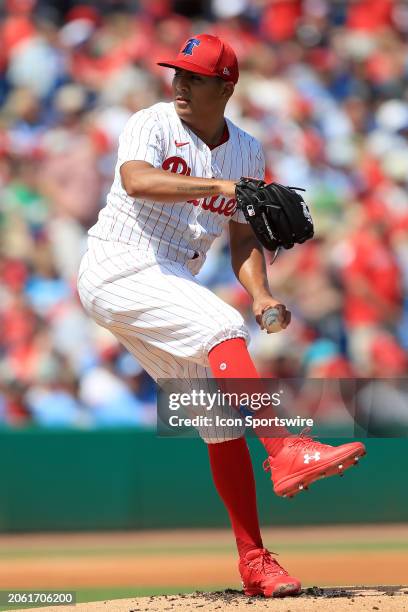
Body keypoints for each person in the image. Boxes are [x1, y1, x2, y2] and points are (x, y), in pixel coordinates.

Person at [77, 34, 366, 598]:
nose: (181, 84)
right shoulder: (152, 122)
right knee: (219, 327)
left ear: (225, 86)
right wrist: (223, 186)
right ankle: (284, 449)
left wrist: (260, 294)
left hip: (169, 276)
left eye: (196, 77)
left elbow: (241, 239)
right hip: (119, 261)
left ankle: (256, 562)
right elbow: (138, 180)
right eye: (177, 73)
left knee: (219, 421)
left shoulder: (248, 152)